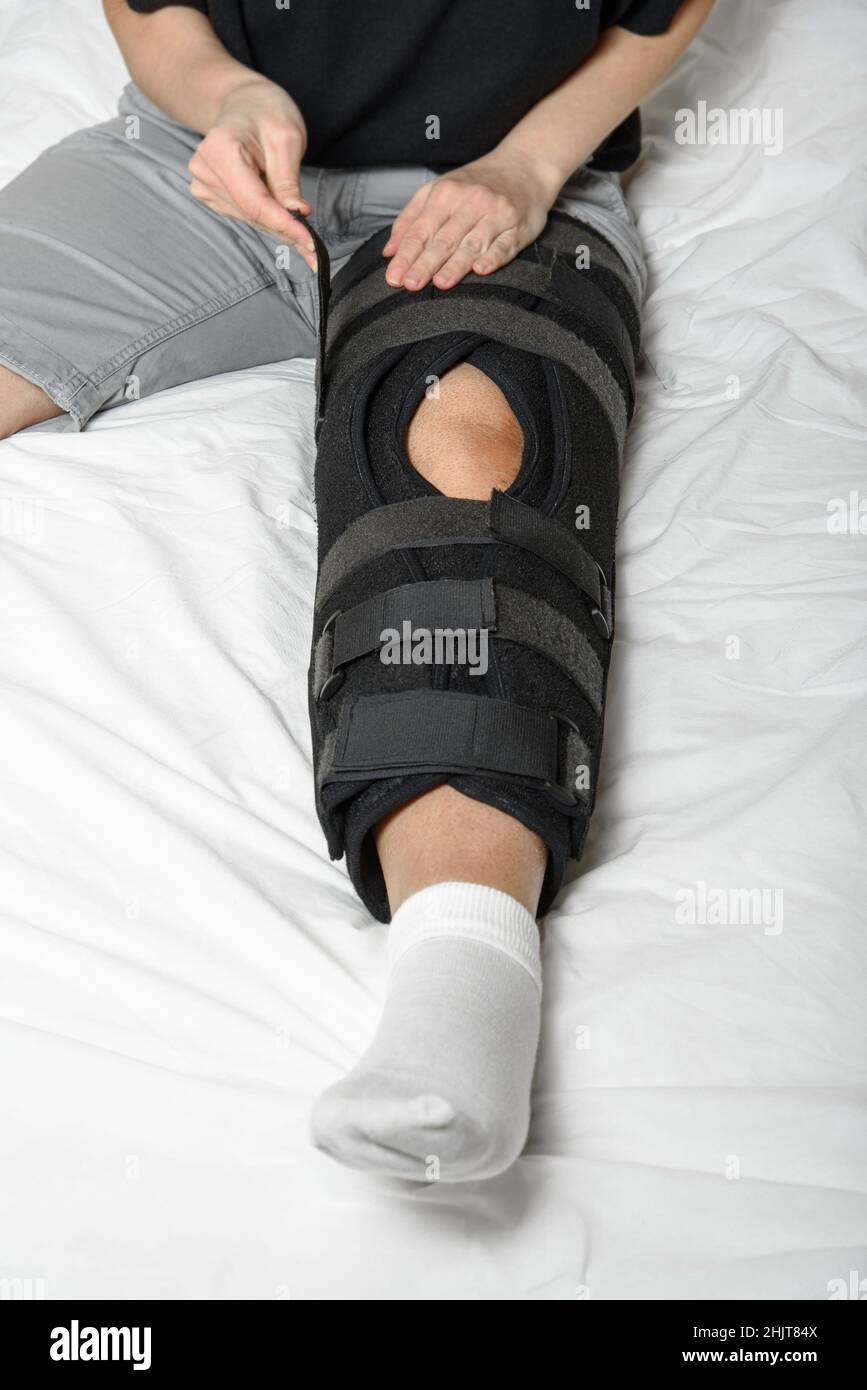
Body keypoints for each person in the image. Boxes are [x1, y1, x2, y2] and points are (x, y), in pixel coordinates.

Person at [0, 0, 714, 1182]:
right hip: (207, 160)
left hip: (496, 181)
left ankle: (462, 988)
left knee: (467, 474)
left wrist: (531, 163)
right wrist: (225, 94)